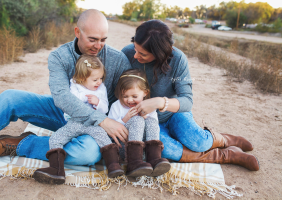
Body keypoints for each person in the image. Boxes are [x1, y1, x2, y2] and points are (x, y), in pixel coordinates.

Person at [0, 10, 131, 169]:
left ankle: (24, 143)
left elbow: (129, 97)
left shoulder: (118, 60)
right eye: (92, 39)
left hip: (96, 128)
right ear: (77, 32)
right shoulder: (59, 56)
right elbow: (61, 97)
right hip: (64, 112)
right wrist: (102, 119)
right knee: (10, 98)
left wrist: (107, 120)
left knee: (88, 153)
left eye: (103, 40)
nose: (98, 46)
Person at [121, 20, 259, 171]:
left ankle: (224, 139)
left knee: (199, 142)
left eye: (143, 54)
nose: (135, 56)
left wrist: (159, 102)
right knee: (166, 150)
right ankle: (226, 155)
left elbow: (187, 101)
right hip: (148, 122)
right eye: (135, 48)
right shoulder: (127, 54)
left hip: (174, 114)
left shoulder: (178, 59)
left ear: (159, 54)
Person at [33, 55, 124, 184]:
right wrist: (86, 97)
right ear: (82, 78)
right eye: (95, 79)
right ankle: (57, 170)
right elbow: (72, 101)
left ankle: (114, 166)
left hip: (94, 124)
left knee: (103, 138)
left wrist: (98, 102)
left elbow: (104, 109)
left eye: (101, 78)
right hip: (75, 122)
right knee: (56, 138)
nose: (99, 82)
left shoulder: (101, 88)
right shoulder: (75, 84)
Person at [108, 69, 171, 177]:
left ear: (145, 93)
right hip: (125, 150)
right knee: (137, 120)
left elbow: (155, 128)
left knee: (151, 121)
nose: (129, 100)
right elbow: (110, 128)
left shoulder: (149, 107)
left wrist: (145, 117)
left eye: (134, 96)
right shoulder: (117, 106)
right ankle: (133, 163)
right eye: (125, 96)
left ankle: (154, 159)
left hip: (145, 151)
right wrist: (125, 119)